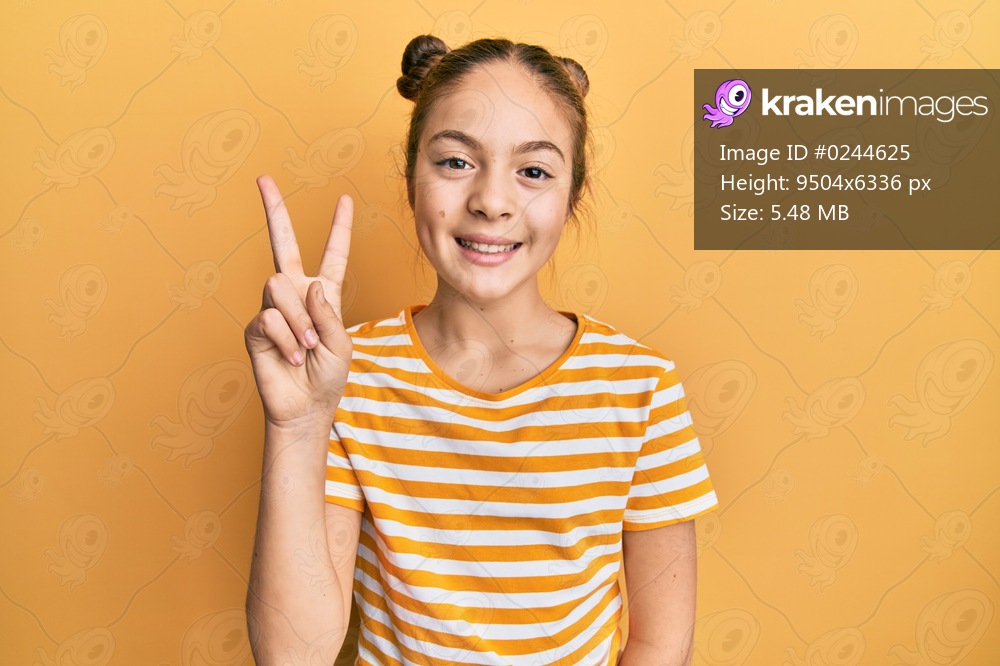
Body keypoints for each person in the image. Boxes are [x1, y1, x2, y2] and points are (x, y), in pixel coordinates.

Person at [244, 34, 718, 666]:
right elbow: (292, 657)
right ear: (411, 178)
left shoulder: (642, 388)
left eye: (534, 171)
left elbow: (662, 643)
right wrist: (299, 426)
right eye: (455, 162)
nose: (492, 201)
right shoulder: (342, 374)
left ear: (573, 193)